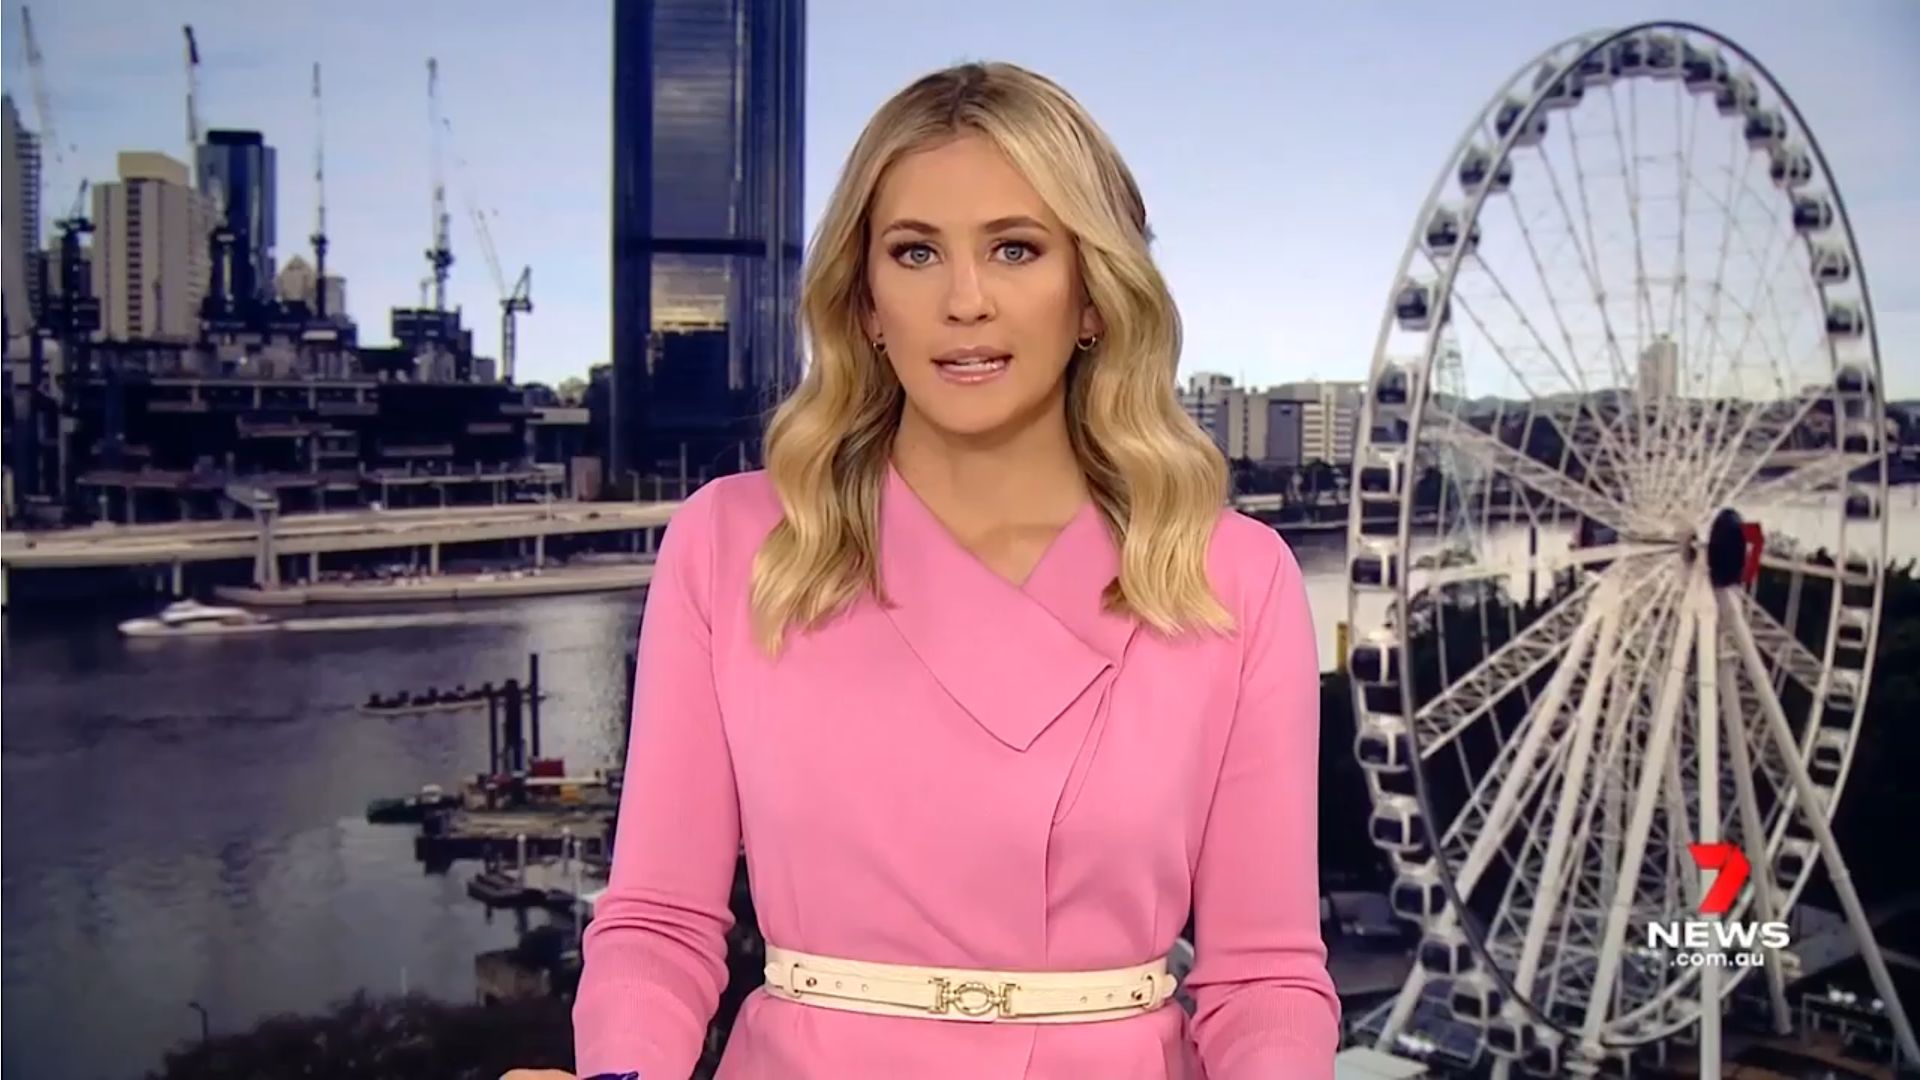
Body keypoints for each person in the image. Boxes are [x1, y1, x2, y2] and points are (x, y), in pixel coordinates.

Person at [506, 60, 1338, 1080]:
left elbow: (1263, 980)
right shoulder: (733, 543)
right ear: (864, 301)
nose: (965, 301)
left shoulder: (1229, 576)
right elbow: (659, 921)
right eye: (915, 252)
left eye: (1016, 249)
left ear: (1092, 295)